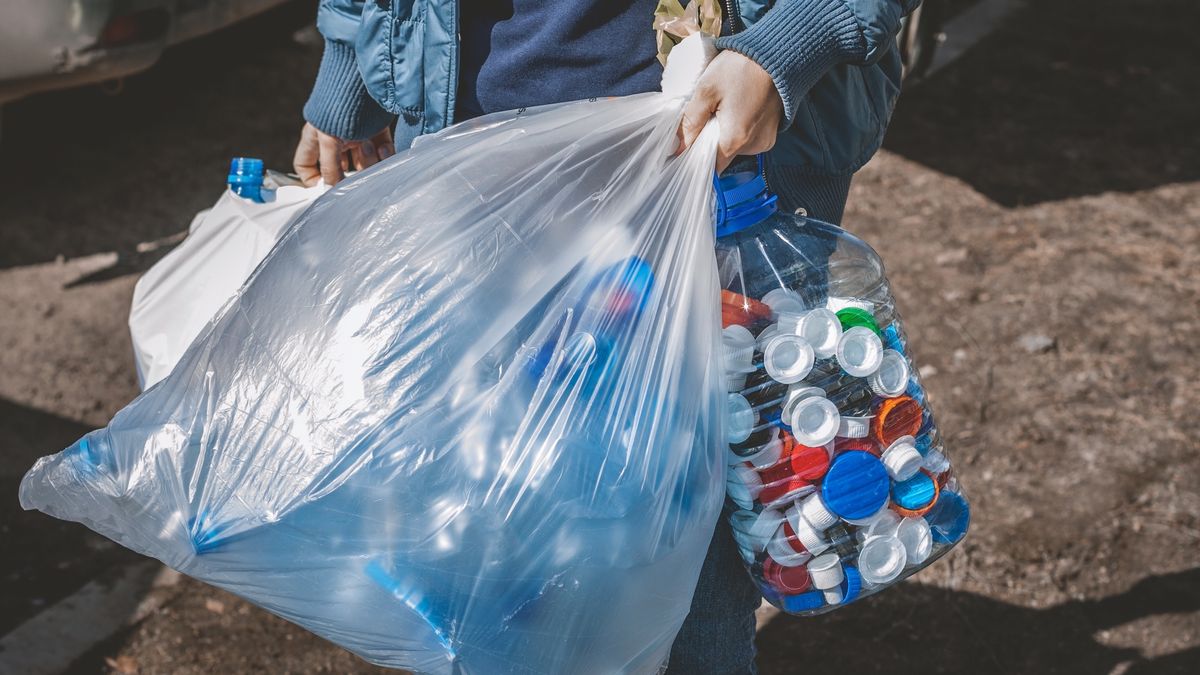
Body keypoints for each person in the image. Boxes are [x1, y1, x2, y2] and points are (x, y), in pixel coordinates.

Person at [295, 1, 918, 671]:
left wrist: (791, 42)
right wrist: (352, 67)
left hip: (707, 160)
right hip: (472, 152)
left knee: (689, 573)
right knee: (495, 537)